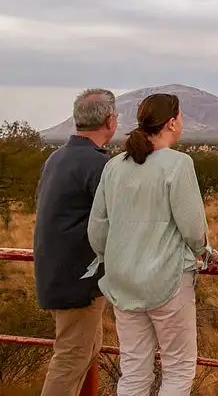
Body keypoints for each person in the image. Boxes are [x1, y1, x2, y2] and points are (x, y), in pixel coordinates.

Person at [88, 93, 218, 396]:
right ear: (172, 122)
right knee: (178, 369)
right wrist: (205, 253)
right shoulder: (178, 164)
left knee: (134, 370)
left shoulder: (114, 167)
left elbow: (97, 229)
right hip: (167, 280)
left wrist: (110, 258)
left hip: (123, 281)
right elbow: (192, 228)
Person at [33, 89, 118, 396]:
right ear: (110, 121)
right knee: (71, 358)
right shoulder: (98, 165)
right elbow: (115, 221)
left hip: (54, 271)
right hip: (79, 280)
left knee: (87, 348)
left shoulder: (57, 158)